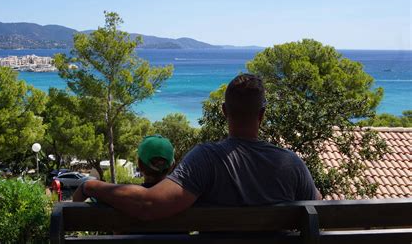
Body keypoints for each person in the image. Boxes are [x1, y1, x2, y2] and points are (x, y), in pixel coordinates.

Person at [73, 74, 321, 220]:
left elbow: (149, 204)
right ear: (262, 115)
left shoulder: (207, 159)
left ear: (224, 112)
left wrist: (91, 185)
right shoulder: (292, 164)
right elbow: (321, 212)